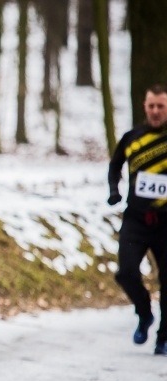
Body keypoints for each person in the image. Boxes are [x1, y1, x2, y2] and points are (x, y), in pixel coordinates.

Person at [107, 84, 167, 355]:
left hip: (166, 222)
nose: (155, 111)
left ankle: (163, 338)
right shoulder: (132, 138)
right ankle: (144, 313)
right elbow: (115, 165)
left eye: (161, 106)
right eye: (151, 106)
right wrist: (114, 190)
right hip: (137, 219)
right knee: (126, 272)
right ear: (144, 106)